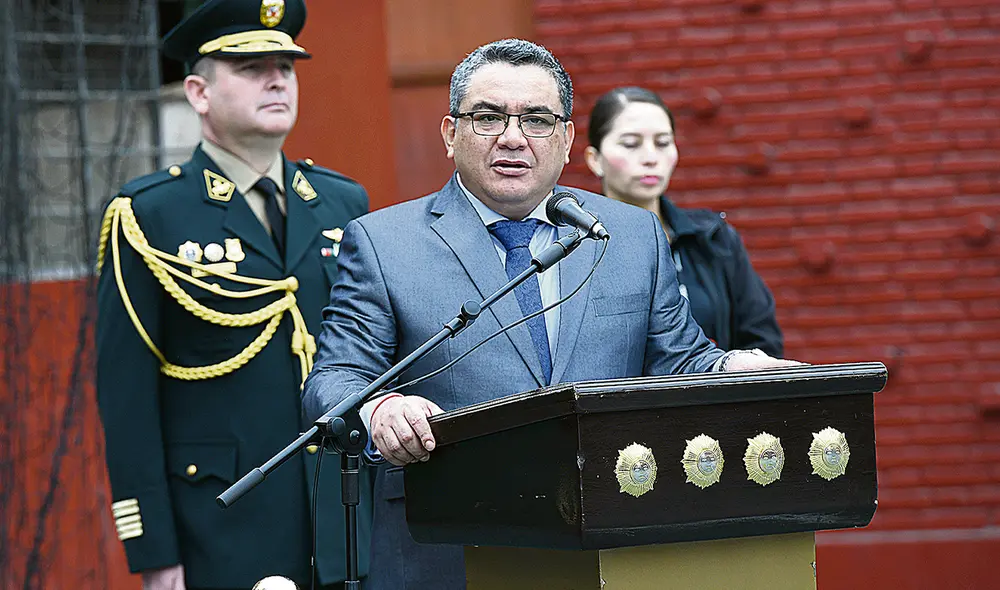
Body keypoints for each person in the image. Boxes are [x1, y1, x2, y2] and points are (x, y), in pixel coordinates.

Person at [301, 38, 799, 590]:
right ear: (450, 134)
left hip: (608, 545)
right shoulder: (384, 243)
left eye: (537, 120)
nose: (513, 138)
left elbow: (680, 359)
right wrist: (381, 408)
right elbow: (334, 379)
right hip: (447, 552)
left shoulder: (629, 235)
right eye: (488, 117)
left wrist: (733, 368)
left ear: (565, 141)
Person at [95, 1, 372, 589]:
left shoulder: (341, 202)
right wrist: (154, 550)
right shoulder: (150, 216)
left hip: (345, 524)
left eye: (286, 67)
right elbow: (128, 399)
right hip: (220, 529)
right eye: (251, 68)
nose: (277, 80)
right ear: (198, 93)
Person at [584, 86, 783, 355]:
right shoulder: (577, 247)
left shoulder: (712, 239)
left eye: (663, 143)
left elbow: (761, 341)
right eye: (631, 144)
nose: (650, 158)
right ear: (595, 159)